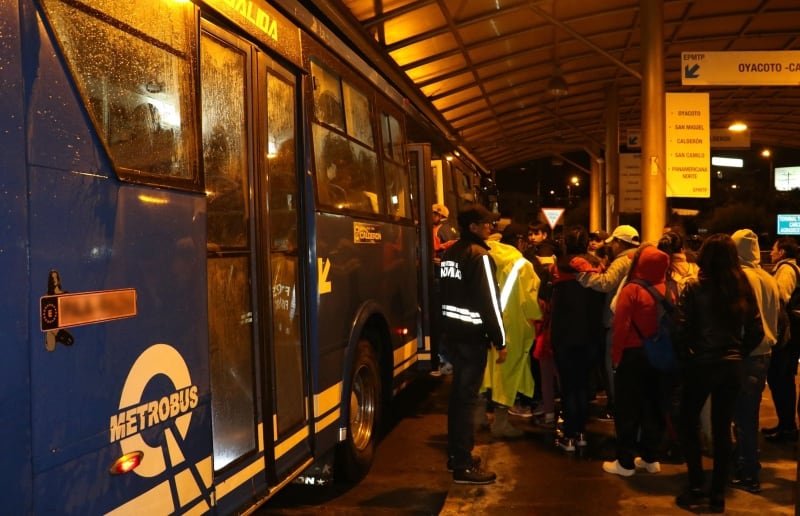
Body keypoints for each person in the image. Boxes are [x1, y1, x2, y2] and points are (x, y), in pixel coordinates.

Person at [672, 234, 764, 514]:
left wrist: (688, 357)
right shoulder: (741, 287)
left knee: (687, 422)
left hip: (701, 364)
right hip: (731, 366)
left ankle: (697, 483)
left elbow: (679, 330)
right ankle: (717, 495)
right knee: (722, 429)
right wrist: (737, 353)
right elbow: (757, 331)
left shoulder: (694, 288)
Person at [439, 204, 507, 485]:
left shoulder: (451, 253)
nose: (491, 228)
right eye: (486, 223)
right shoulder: (479, 257)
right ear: (473, 227)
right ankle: (463, 465)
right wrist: (500, 340)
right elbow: (489, 302)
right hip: (471, 339)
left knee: (458, 400)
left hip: (453, 336)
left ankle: (457, 456)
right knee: (465, 401)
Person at [602, 244, 669, 477]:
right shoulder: (669, 287)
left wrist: (615, 357)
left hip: (633, 355)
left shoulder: (632, 289)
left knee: (628, 410)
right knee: (654, 407)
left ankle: (626, 462)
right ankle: (651, 458)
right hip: (660, 355)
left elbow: (621, 327)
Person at [728, 229, 780, 494]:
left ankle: (748, 472)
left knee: (743, 418)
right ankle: (745, 466)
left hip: (746, 355)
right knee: (749, 415)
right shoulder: (768, 278)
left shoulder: (742, 278)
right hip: (765, 353)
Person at [483, 223, 542, 438]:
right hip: (512, 327)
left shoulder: (485, 254)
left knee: (485, 371)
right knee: (506, 374)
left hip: (484, 324)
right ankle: (500, 423)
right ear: (519, 241)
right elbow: (530, 304)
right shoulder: (522, 265)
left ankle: (478, 416)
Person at [577, 224, 641, 420]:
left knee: (611, 363)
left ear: (621, 243)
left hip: (616, 318)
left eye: (614, 242)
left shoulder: (622, 260)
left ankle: (616, 405)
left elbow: (606, 283)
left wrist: (583, 277)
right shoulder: (640, 258)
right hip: (636, 319)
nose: (611, 246)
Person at [550, 226, 605, 451]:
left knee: (569, 386)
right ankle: (582, 433)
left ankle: (570, 436)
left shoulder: (558, 267)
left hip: (565, 334)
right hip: (592, 334)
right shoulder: (598, 267)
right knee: (583, 385)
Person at [764, 236, 800, 443]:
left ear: (783, 252)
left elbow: (780, 295)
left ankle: (787, 428)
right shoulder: (787, 268)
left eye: (774, 249)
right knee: (780, 380)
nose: (771, 252)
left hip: (788, 336)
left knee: (781, 380)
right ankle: (784, 424)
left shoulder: (786, 269)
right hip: (790, 334)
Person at [430, 204, 458, 376]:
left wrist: (440, 262)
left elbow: (451, 250)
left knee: (441, 321)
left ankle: (446, 360)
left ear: (439, 216)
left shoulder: (444, 231)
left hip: (440, 279)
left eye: (432, 213)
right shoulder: (440, 229)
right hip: (439, 278)